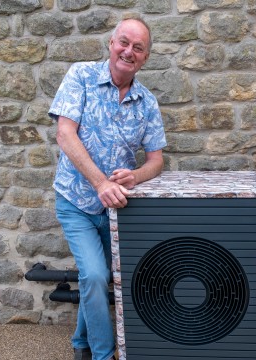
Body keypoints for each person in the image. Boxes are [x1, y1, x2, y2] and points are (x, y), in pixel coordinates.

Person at [48, 16, 167, 360]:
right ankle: (103, 355)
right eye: (123, 42)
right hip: (77, 202)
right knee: (98, 276)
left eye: (138, 48)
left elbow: (156, 161)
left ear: (145, 58)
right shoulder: (80, 76)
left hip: (117, 209)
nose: (128, 51)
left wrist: (136, 176)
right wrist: (100, 183)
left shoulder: (147, 102)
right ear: (111, 44)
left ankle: (80, 345)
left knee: (95, 280)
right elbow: (64, 134)